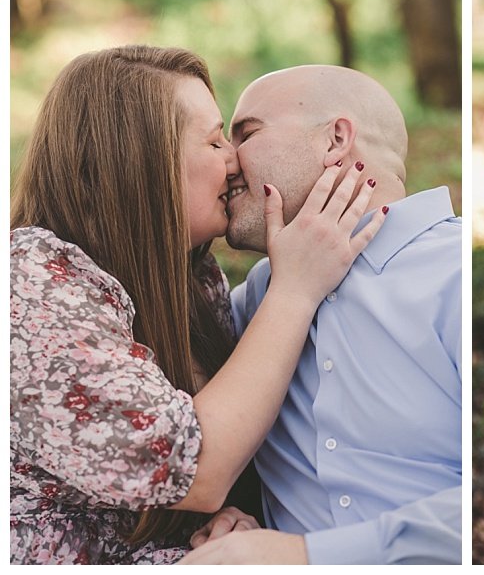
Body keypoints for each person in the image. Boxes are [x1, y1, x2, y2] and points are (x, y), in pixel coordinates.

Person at [9, 46, 384, 564]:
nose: (235, 162)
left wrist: (223, 520)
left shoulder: (191, 274)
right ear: (136, 157)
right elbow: (195, 468)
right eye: (214, 141)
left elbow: (218, 462)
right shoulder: (30, 288)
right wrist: (296, 289)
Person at [178, 65, 462, 565]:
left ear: (336, 139)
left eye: (246, 134)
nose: (227, 161)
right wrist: (240, 519)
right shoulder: (255, 302)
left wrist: (307, 555)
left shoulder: (458, 274)